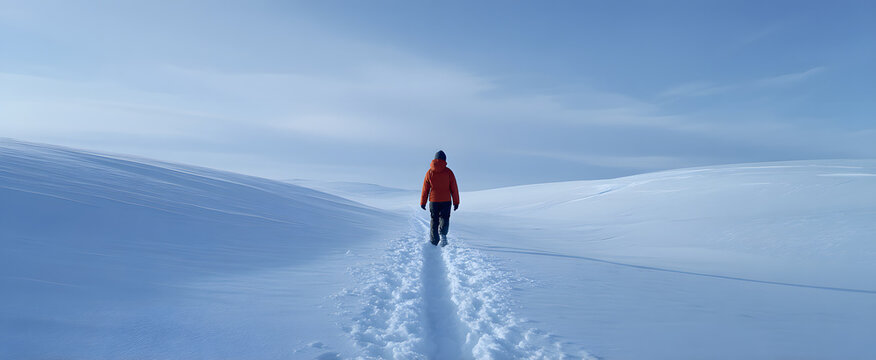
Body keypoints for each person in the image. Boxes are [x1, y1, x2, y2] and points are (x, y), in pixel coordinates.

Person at [420, 150, 459, 247]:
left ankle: (434, 241)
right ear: (444, 160)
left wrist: (423, 202)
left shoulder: (429, 172)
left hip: (433, 201)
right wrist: (456, 202)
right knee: (444, 218)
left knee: (434, 220)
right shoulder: (449, 172)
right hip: (446, 201)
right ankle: (443, 236)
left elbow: (425, 189)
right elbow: (454, 188)